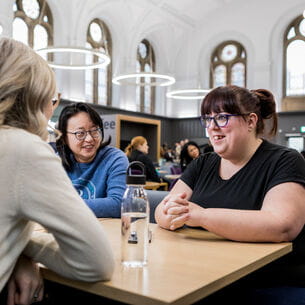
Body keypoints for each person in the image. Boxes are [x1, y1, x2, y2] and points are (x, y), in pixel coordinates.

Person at [155, 85, 305, 304]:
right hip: (205, 276)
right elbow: (164, 208)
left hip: (269, 283)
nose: (212, 127)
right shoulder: (203, 163)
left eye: (222, 117)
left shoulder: (285, 160)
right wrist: (169, 215)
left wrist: (201, 216)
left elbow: (281, 226)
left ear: (251, 121)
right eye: (207, 119)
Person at [0, 37, 114, 305]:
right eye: (52, 100)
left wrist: (15, 251)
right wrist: (23, 247)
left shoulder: (113, 157)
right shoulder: (22, 148)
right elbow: (96, 262)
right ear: (35, 100)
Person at [56, 102, 129, 218]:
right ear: (64, 137)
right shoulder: (55, 161)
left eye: (94, 130)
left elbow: (119, 204)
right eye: (80, 133)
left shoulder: (115, 159)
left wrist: (65, 207)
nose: (89, 139)